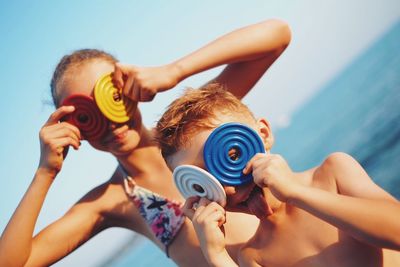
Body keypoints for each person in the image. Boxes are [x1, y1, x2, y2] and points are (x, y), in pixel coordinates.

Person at [0, 19, 291, 267]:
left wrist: (174, 71)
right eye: (86, 116)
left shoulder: (193, 128)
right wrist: (44, 173)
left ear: (130, 85)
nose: (110, 121)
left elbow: (277, 35)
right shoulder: (112, 200)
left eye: (112, 99)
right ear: (72, 125)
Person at [155, 86, 400, 266]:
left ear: (262, 134)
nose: (228, 185)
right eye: (207, 180)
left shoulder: (332, 175)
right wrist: (217, 255)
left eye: (231, 156)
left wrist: (297, 193)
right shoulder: (255, 255)